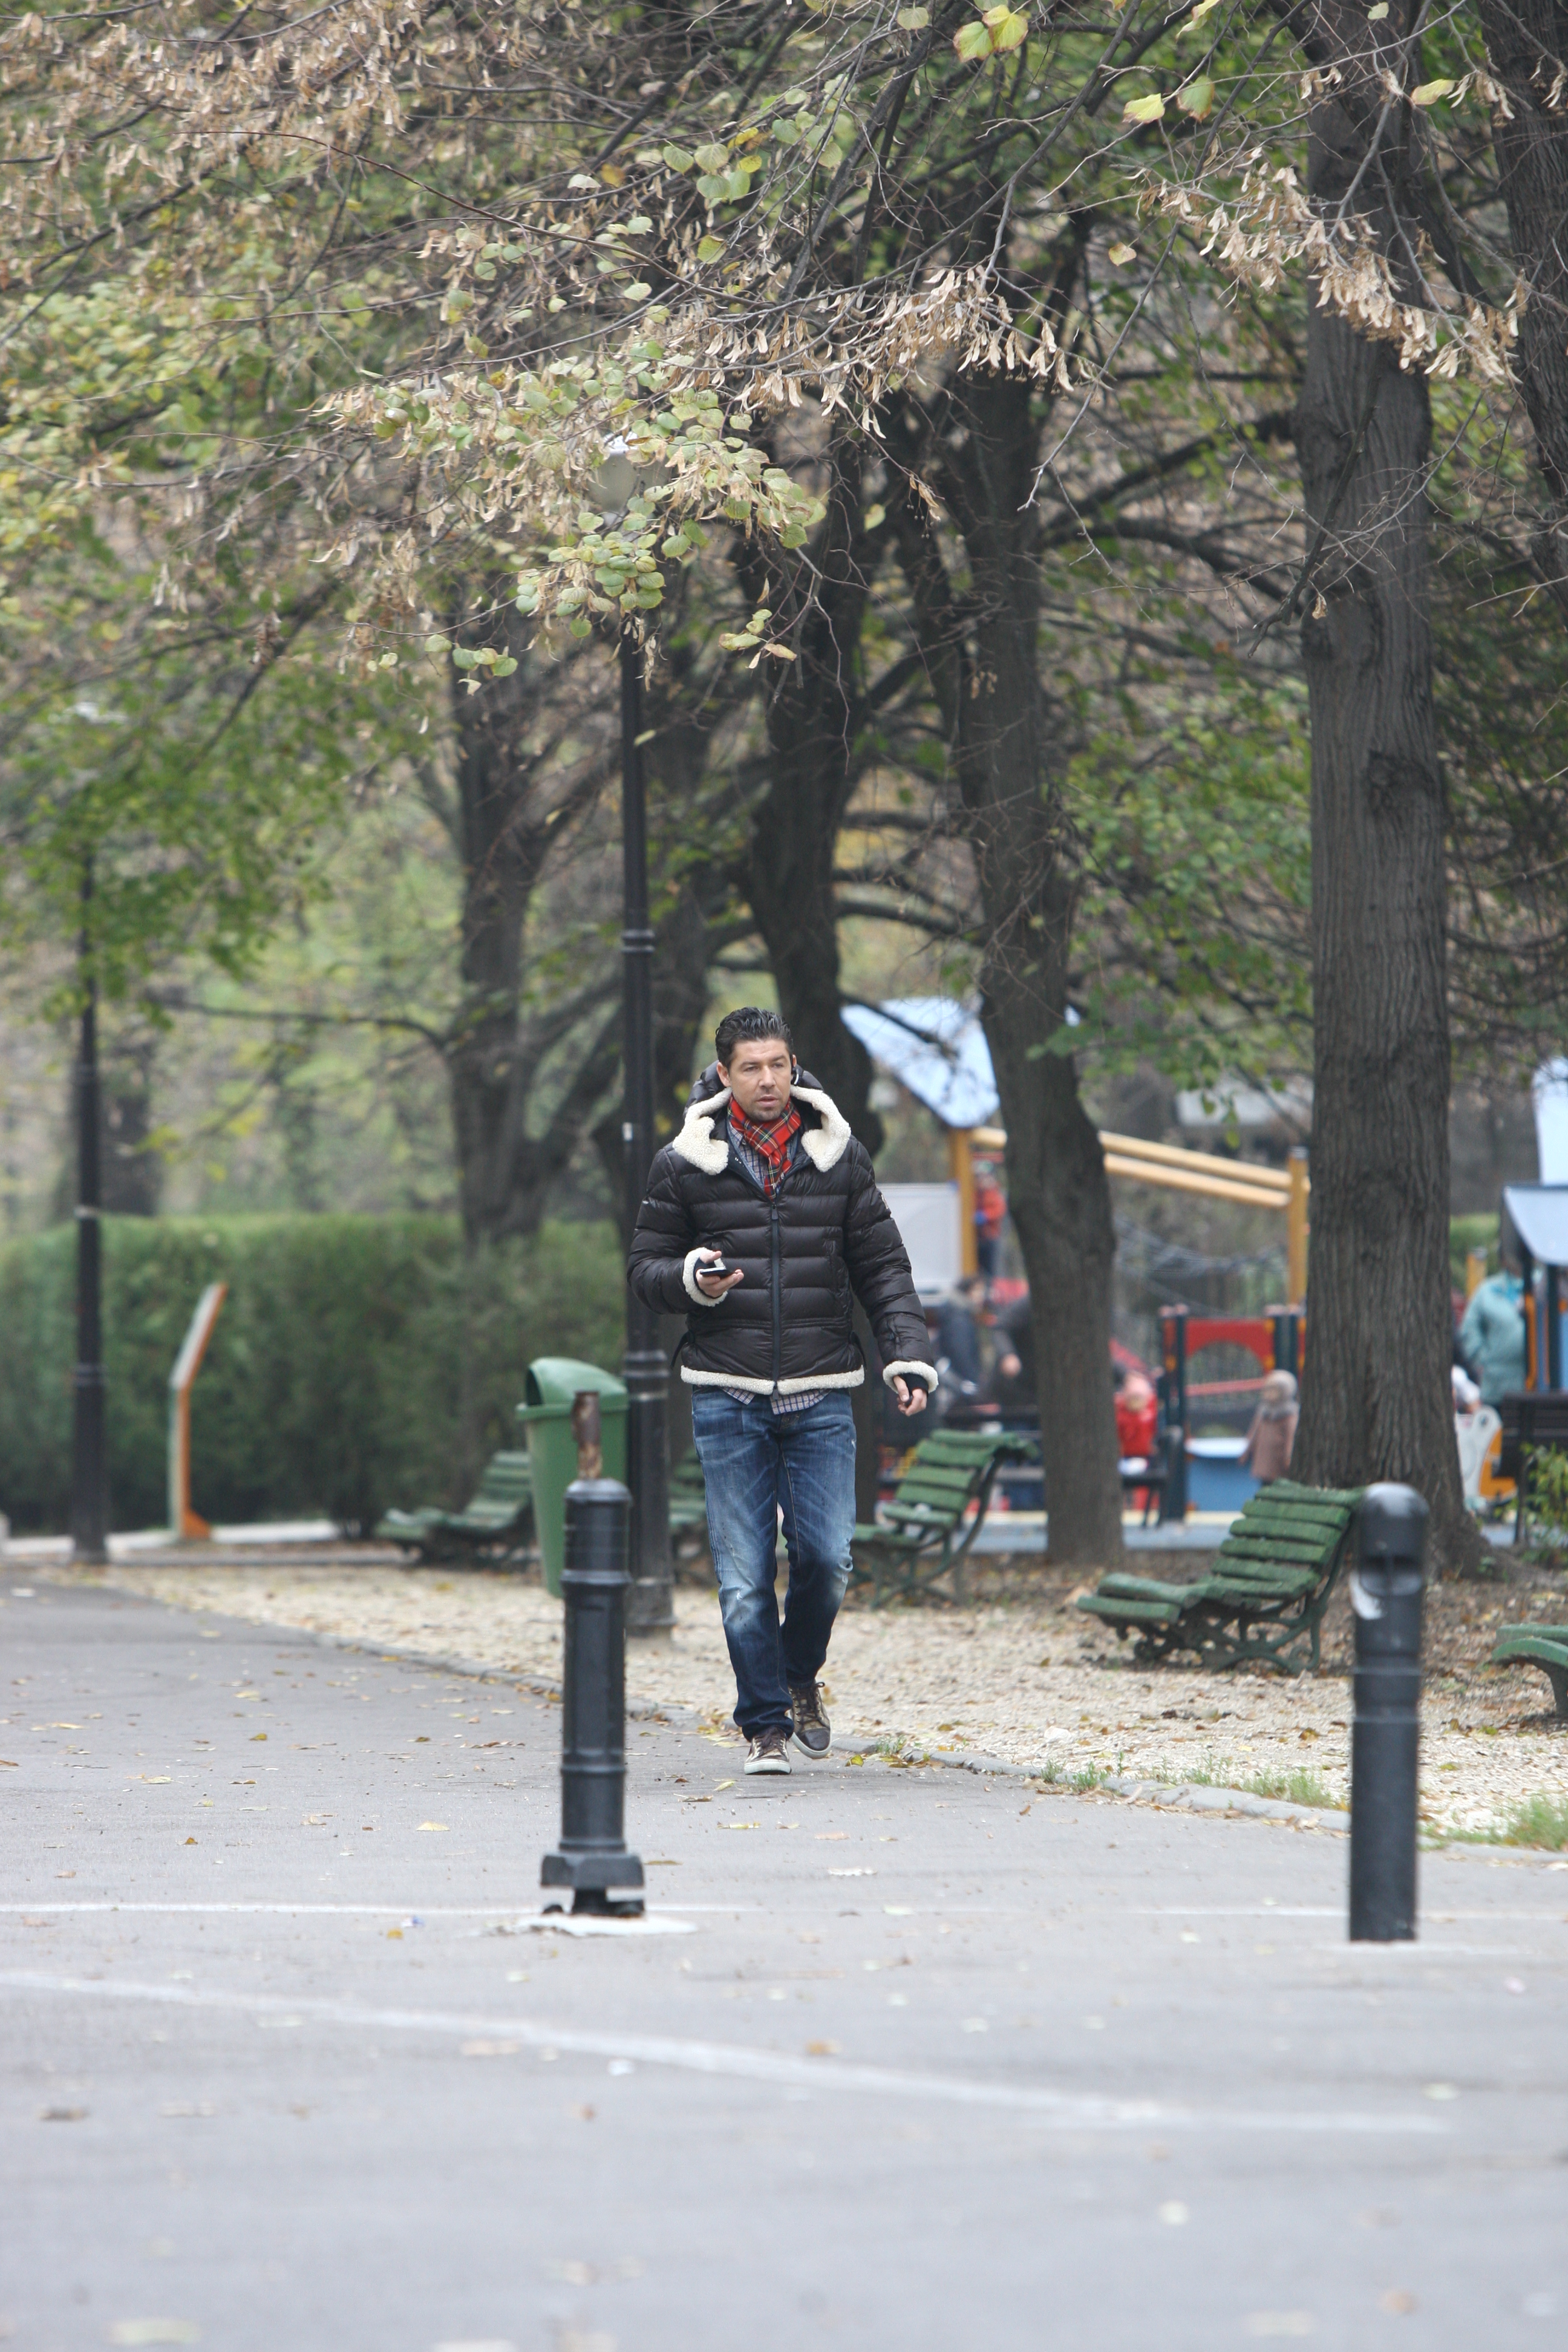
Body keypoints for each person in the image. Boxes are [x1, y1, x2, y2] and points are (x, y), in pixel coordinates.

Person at [627, 1008, 936, 1777]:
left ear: (794, 1066)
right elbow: (645, 1272)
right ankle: (765, 1725)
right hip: (726, 1392)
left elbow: (885, 1270)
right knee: (742, 1579)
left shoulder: (839, 1157)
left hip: (823, 1388)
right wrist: (692, 1278)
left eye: (778, 1065)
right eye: (751, 1068)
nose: (768, 1080)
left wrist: (906, 1356)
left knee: (828, 1560)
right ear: (724, 1075)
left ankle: (799, 1676)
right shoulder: (683, 1163)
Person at [1459, 1264, 1527, 1406]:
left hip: (1539, 1388)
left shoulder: (1545, 1286)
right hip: (1497, 1389)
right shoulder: (1488, 1290)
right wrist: (1482, 1359)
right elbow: (1469, 1329)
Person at [1241, 1368, 1298, 1485]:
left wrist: (1289, 1456)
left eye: (1274, 1390)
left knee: (1279, 1484)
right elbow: (1254, 1433)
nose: (1269, 1393)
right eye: (1268, 1389)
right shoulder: (1263, 1413)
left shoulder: (1289, 1416)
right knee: (1264, 1482)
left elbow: (1291, 1438)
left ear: (1285, 1392)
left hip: (1278, 1459)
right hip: (1264, 1458)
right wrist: (1247, 1451)